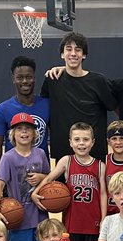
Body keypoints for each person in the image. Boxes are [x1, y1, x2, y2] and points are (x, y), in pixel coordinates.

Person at [32, 121, 105, 241]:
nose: (81, 143)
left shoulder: (100, 166)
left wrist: (103, 219)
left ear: (92, 142)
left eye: (86, 139)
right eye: (77, 140)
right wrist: (36, 192)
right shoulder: (67, 161)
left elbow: (103, 194)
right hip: (72, 223)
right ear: (70, 142)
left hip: (93, 223)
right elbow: (49, 178)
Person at [41, 31, 116, 160]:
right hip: (63, 152)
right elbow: (38, 105)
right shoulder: (52, 80)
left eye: (78, 50)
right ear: (62, 54)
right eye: (68, 49)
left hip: (94, 153)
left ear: (84, 55)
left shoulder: (99, 81)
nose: (73, 54)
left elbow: (116, 105)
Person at [0, 113, 50, 241]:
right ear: (12, 134)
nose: (24, 132)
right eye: (19, 129)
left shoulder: (41, 154)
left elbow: (50, 179)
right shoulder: (8, 157)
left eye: (28, 129)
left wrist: (41, 177)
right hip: (18, 216)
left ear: (34, 133)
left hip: (40, 216)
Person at [0, 55, 50, 169]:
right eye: (20, 77)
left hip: (40, 173)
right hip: (13, 172)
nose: (24, 81)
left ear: (34, 78)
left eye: (29, 77)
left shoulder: (47, 105)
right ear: (13, 79)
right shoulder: (3, 109)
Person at [104, 120, 123, 214]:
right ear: (108, 141)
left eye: (122, 138)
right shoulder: (104, 161)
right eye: (114, 138)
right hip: (109, 213)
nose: (118, 142)